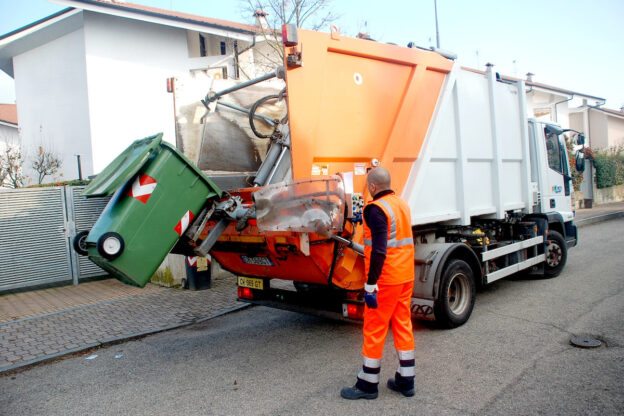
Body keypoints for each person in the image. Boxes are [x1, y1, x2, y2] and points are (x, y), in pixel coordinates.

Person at [341, 166, 416, 400]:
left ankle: (367, 384)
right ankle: (406, 380)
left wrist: (371, 283)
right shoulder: (401, 204)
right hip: (405, 276)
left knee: (374, 328)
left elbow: (381, 250)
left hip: (386, 279)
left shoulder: (375, 209)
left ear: (373, 187)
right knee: (403, 325)